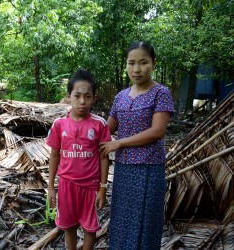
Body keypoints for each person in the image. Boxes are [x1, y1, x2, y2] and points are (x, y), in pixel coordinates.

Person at [99, 41, 175, 250]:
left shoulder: (161, 93)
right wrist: (79, 127)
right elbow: (107, 129)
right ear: (126, 64)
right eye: (131, 63)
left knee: (145, 221)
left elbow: (157, 131)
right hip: (123, 169)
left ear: (154, 63)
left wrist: (120, 142)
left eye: (143, 62)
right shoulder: (121, 97)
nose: (136, 69)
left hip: (148, 168)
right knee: (123, 219)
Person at [47, 69, 111, 250]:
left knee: (90, 228)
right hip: (66, 185)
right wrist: (51, 187)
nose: (82, 101)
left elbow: (104, 158)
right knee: (69, 225)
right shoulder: (59, 124)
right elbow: (54, 155)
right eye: (77, 96)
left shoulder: (99, 124)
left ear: (94, 98)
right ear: (68, 97)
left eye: (88, 96)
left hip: (90, 186)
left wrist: (102, 188)